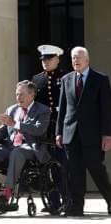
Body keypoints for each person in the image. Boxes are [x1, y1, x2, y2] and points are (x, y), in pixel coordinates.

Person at [0, 80, 51, 209]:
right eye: (17, 94)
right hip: (9, 148)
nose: (18, 97)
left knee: (17, 152)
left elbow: (39, 130)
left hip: (30, 148)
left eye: (22, 94)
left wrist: (16, 124)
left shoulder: (42, 110)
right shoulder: (12, 109)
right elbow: (1, 135)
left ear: (32, 95)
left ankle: (6, 194)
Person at [56, 46, 111, 216]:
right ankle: (76, 207)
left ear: (87, 60)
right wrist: (59, 132)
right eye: (73, 58)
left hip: (92, 135)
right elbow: (63, 108)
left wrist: (107, 134)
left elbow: (106, 109)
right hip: (71, 134)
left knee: (96, 170)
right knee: (74, 171)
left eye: (79, 57)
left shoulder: (100, 79)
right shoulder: (66, 79)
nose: (75, 61)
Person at [32, 44, 67, 213]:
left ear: (57, 59)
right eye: (43, 60)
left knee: (62, 165)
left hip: (61, 126)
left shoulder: (66, 76)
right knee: (46, 166)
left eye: (49, 59)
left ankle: (68, 200)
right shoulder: (37, 79)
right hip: (44, 128)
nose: (45, 62)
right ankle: (53, 202)